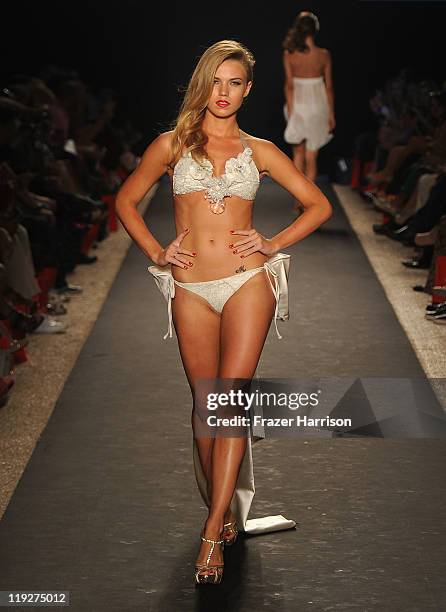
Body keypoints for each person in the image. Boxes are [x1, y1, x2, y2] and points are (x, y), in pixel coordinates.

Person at [115, 39, 332, 585]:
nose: (224, 92)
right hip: (189, 286)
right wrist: (157, 253)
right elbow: (124, 200)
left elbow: (319, 204)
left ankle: (213, 528)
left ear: (248, 90)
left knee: (230, 399)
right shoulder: (170, 145)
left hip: (246, 283)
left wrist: (272, 243)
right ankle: (222, 507)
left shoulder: (258, 151)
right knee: (206, 404)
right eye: (216, 81)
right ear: (202, 83)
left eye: (235, 83)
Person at [282, 10, 335, 196]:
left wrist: (291, 110)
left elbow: (289, 85)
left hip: (298, 105)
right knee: (312, 156)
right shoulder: (324, 55)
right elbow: (329, 88)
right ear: (315, 30)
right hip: (318, 106)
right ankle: (307, 200)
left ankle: (298, 198)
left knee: (298, 155)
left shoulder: (290, 54)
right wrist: (331, 115)